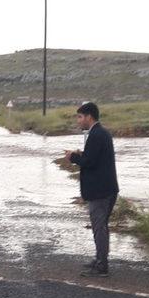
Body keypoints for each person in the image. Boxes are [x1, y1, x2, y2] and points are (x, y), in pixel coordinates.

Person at [65, 102, 119, 277]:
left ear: (89, 116)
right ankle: (99, 260)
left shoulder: (96, 134)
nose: (78, 120)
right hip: (106, 188)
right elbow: (93, 158)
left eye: (80, 117)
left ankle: (102, 266)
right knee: (101, 226)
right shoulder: (100, 133)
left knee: (99, 228)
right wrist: (81, 154)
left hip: (100, 191)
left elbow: (90, 163)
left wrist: (73, 157)